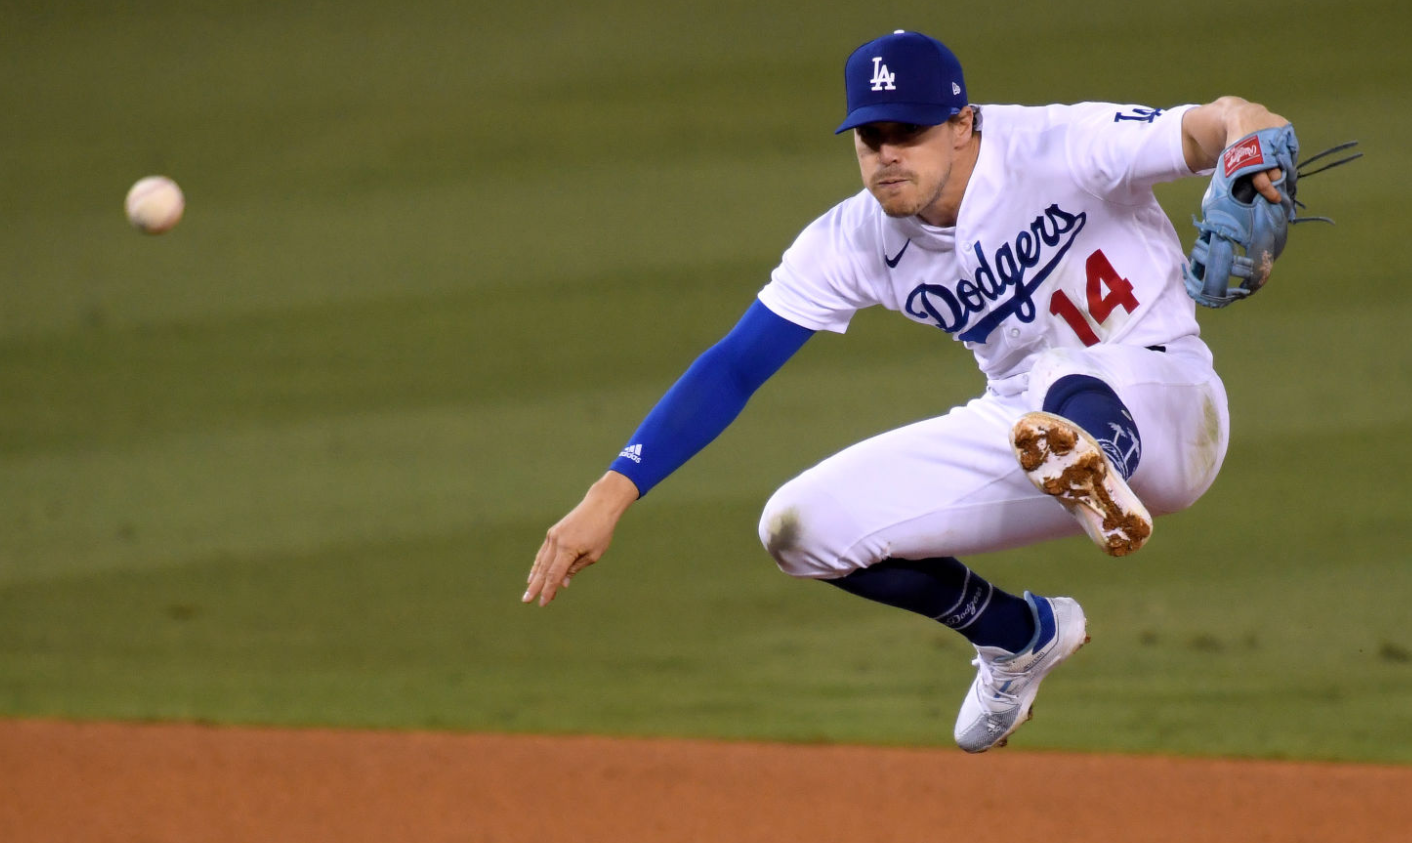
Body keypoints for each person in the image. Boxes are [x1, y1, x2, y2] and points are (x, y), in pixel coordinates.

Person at [525, 29, 1301, 752]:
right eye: (871, 138)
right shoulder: (854, 238)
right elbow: (734, 365)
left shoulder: (1060, 144)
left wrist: (1247, 142)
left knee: (1067, 369)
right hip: (1029, 429)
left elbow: (1227, 121)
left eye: (909, 133)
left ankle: (1099, 460)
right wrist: (612, 492)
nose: (887, 155)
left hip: (1170, 400)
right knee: (799, 527)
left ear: (962, 124)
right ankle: (1016, 633)